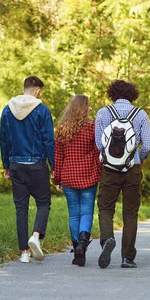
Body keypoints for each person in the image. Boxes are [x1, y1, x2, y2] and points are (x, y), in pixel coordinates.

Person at [95, 80, 150, 269]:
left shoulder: (103, 113)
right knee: (130, 213)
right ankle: (127, 258)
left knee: (105, 208)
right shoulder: (141, 114)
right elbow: (149, 145)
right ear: (132, 94)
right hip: (132, 168)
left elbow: (99, 144)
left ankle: (107, 239)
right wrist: (138, 157)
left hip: (110, 169)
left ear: (112, 94)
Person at [0, 76, 54, 263]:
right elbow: (48, 140)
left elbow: (4, 140)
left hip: (15, 164)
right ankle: (36, 236)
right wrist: (54, 167)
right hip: (37, 164)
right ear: (38, 90)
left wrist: (6, 165)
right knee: (43, 202)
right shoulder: (42, 110)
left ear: (24, 88)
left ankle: (24, 253)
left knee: (21, 208)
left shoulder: (7, 110)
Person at [53, 95, 101, 267]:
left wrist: (57, 177)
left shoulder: (62, 128)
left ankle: (76, 248)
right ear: (83, 108)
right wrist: (99, 172)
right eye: (88, 106)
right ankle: (82, 242)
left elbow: (58, 156)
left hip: (68, 175)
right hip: (88, 175)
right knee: (86, 212)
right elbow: (97, 153)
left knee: (74, 213)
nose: (90, 108)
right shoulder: (92, 126)